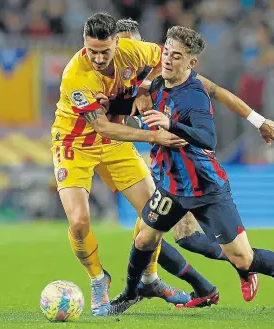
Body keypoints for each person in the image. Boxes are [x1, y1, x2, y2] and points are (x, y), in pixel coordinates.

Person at [109, 26, 274, 315]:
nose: (168, 60)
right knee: (145, 238)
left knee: (244, 258)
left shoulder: (194, 96)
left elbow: (208, 138)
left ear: (191, 63)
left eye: (176, 56)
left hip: (206, 188)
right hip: (172, 187)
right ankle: (131, 292)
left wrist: (169, 124)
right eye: (167, 53)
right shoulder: (159, 83)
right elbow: (134, 100)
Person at [53, 12, 205, 316]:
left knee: (154, 213)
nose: (97, 58)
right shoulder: (75, 75)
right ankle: (98, 279)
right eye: (91, 50)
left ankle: (149, 279)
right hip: (74, 143)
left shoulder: (133, 51)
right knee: (79, 222)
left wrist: (147, 86)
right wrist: (153, 136)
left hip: (114, 145)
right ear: (84, 42)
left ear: (115, 44)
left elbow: (165, 61)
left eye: (104, 51)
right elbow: (104, 128)